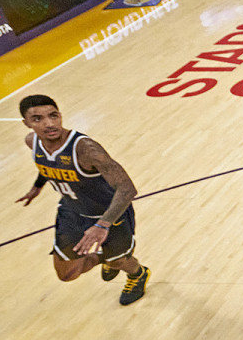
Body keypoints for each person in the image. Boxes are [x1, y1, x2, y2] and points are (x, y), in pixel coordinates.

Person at [15, 95, 150, 306]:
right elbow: (49, 164)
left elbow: (127, 189)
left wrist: (102, 225)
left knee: (118, 261)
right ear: (27, 124)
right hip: (72, 212)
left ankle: (137, 273)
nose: (49, 123)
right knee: (67, 274)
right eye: (38, 119)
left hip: (109, 214)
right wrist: (37, 186)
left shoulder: (85, 149)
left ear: (60, 115)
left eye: (53, 115)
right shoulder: (32, 142)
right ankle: (107, 257)